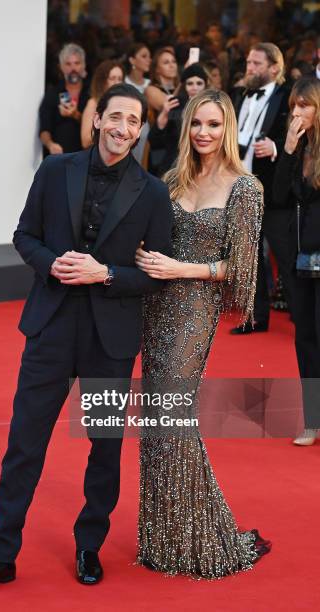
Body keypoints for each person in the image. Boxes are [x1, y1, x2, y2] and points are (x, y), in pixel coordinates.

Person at [0, 84, 173, 591]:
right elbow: (23, 235)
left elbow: (156, 273)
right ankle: (1, 553)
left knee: (103, 448)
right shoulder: (56, 171)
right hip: (51, 327)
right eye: (114, 116)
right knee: (24, 443)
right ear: (97, 119)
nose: (122, 128)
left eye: (132, 121)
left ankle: (89, 547)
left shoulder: (153, 192)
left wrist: (107, 275)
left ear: (140, 130)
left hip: (109, 338)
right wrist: (50, 264)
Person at [135, 89, 271, 577]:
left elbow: (241, 272)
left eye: (214, 125)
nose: (204, 134)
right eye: (197, 124)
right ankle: (166, 537)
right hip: (155, 307)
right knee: (157, 421)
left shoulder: (245, 188)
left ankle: (206, 537)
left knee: (175, 415)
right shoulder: (172, 180)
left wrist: (181, 269)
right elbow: (152, 238)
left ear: (228, 128)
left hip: (194, 309)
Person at [231, 42, 292, 335]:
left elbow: (303, 132)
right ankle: (255, 317)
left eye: (256, 63)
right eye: (248, 62)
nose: (250, 68)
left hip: (273, 188)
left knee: (283, 254)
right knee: (249, 256)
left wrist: (276, 146)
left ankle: (304, 314)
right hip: (240, 184)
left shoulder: (287, 95)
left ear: (274, 68)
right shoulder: (238, 94)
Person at [272, 77, 320, 446]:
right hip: (301, 256)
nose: (297, 113)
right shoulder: (296, 148)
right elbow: (278, 197)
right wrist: (287, 150)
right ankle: (312, 421)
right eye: (294, 106)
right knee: (305, 338)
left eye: (304, 106)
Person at [147, 64, 209, 177]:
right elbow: (154, 138)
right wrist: (165, 112)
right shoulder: (175, 104)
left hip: (202, 166)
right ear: (184, 85)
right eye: (190, 83)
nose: (195, 87)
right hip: (173, 166)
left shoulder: (213, 106)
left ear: (205, 85)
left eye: (199, 83)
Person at [39, 43, 90, 157]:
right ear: (61, 67)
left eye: (77, 63)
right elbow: (44, 128)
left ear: (83, 65)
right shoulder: (53, 93)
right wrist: (50, 144)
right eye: (68, 64)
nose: (73, 68)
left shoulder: (91, 93)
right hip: (58, 159)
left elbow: (97, 127)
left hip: (85, 158)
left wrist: (75, 115)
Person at [81, 60, 124, 148]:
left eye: (120, 79)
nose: (117, 83)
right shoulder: (93, 103)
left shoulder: (123, 104)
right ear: (102, 82)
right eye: (112, 78)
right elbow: (85, 140)